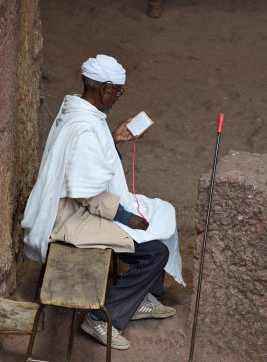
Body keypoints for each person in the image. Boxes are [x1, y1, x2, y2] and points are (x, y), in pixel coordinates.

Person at [22, 54, 185, 350]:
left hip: (84, 205)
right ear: (104, 89)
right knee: (154, 252)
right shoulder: (84, 126)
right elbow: (88, 193)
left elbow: (89, 167)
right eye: (117, 92)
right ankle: (100, 318)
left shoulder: (80, 111)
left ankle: (142, 298)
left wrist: (114, 139)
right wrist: (125, 217)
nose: (116, 98)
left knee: (163, 212)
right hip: (71, 217)